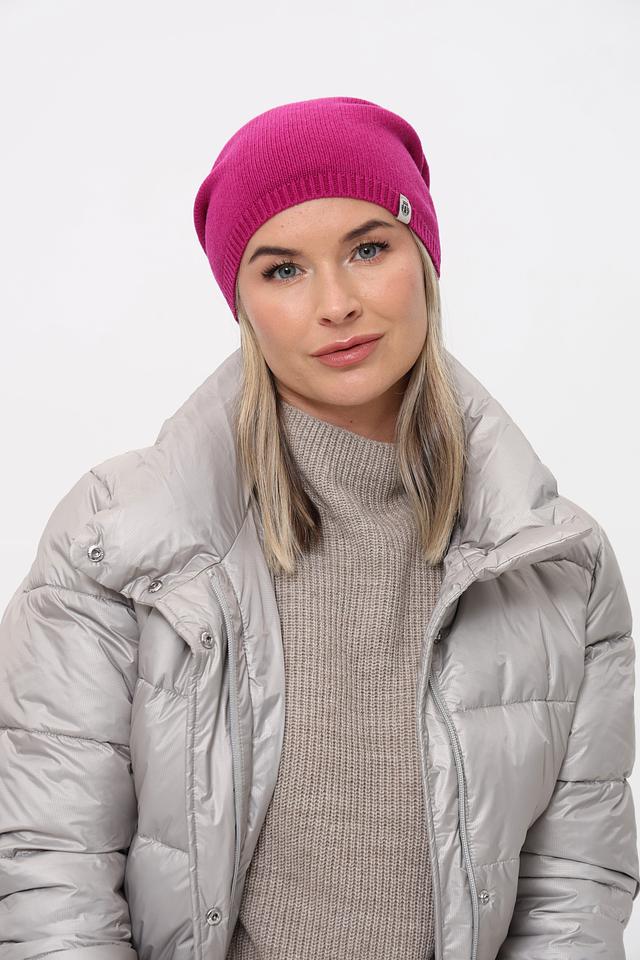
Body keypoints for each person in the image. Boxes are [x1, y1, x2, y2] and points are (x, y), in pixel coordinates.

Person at [0, 96, 637, 960]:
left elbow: (575, 890)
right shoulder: (118, 539)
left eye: (368, 249)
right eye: (283, 270)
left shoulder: (559, 563)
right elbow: (51, 872)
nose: (336, 303)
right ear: (243, 302)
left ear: (424, 260)